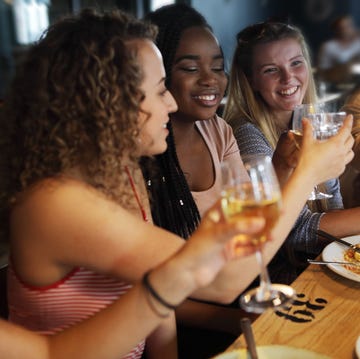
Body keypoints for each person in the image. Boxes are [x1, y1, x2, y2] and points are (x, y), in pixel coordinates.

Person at [0, 8, 270, 359]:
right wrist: (307, 172)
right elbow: (216, 281)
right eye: (160, 91)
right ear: (108, 106)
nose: (171, 103)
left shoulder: (125, 172)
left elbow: (158, 298)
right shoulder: (54, 202)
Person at [141, 4, 354, 357]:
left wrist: (285, 170)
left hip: (244, 299)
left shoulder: (218, 130)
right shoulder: (138, 167)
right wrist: (305, 175)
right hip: (218, 319)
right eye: (190, 68)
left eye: (216, 67)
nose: (210, 79)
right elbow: (173, 293)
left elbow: (251, 228)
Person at [224, 21, 359, 284]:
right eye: (271, 70)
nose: (288, 78)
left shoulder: (315, 122)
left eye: (296, 63)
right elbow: (294, 232)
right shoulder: (245, 134)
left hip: (318, 268)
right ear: (251, 79)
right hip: (278, 281)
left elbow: (333, 208)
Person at [317, 15, 360, 84]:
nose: (347, 30)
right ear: (336, 30)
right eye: (342, 28)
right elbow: (322, 73)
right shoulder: (328, 46)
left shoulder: (357, 43)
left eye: (349, 26)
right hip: (337, 84)